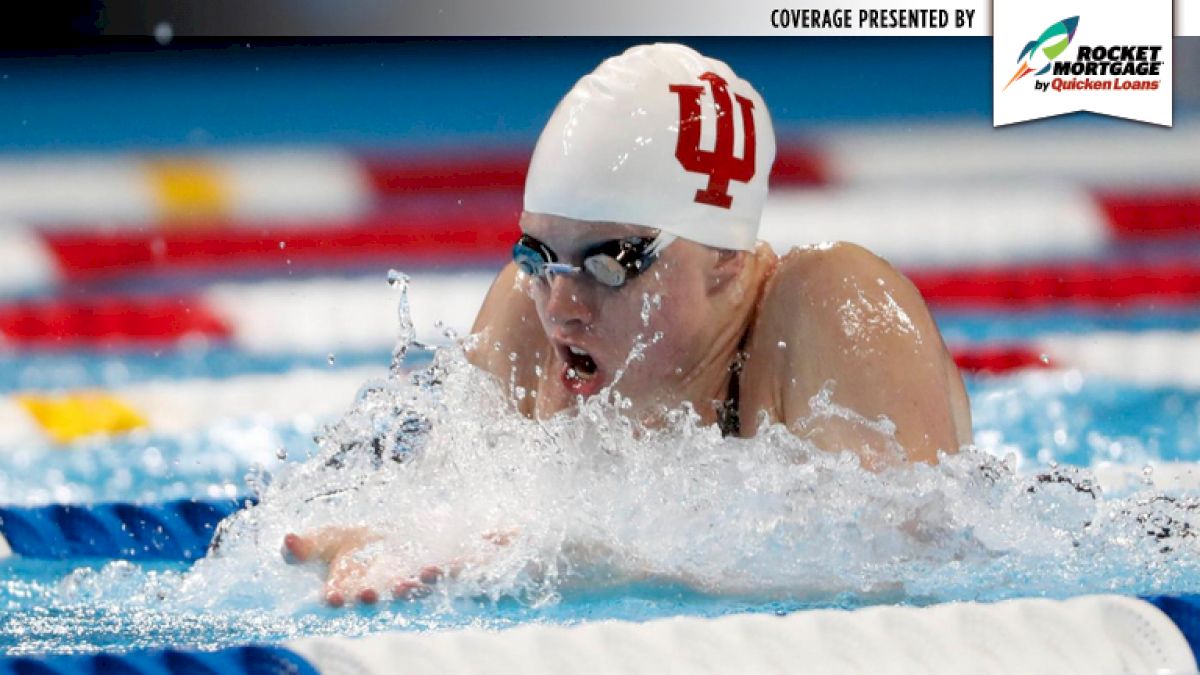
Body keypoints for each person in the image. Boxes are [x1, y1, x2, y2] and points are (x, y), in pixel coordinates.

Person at [283, 42, 972, 606]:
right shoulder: (530, 309)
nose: (562, 304)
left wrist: (555, 546)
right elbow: (444, 515)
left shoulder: (832, 306)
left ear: (726, 260)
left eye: (611, 262)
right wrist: (387, 533)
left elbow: (898, 565)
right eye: (540, 253)